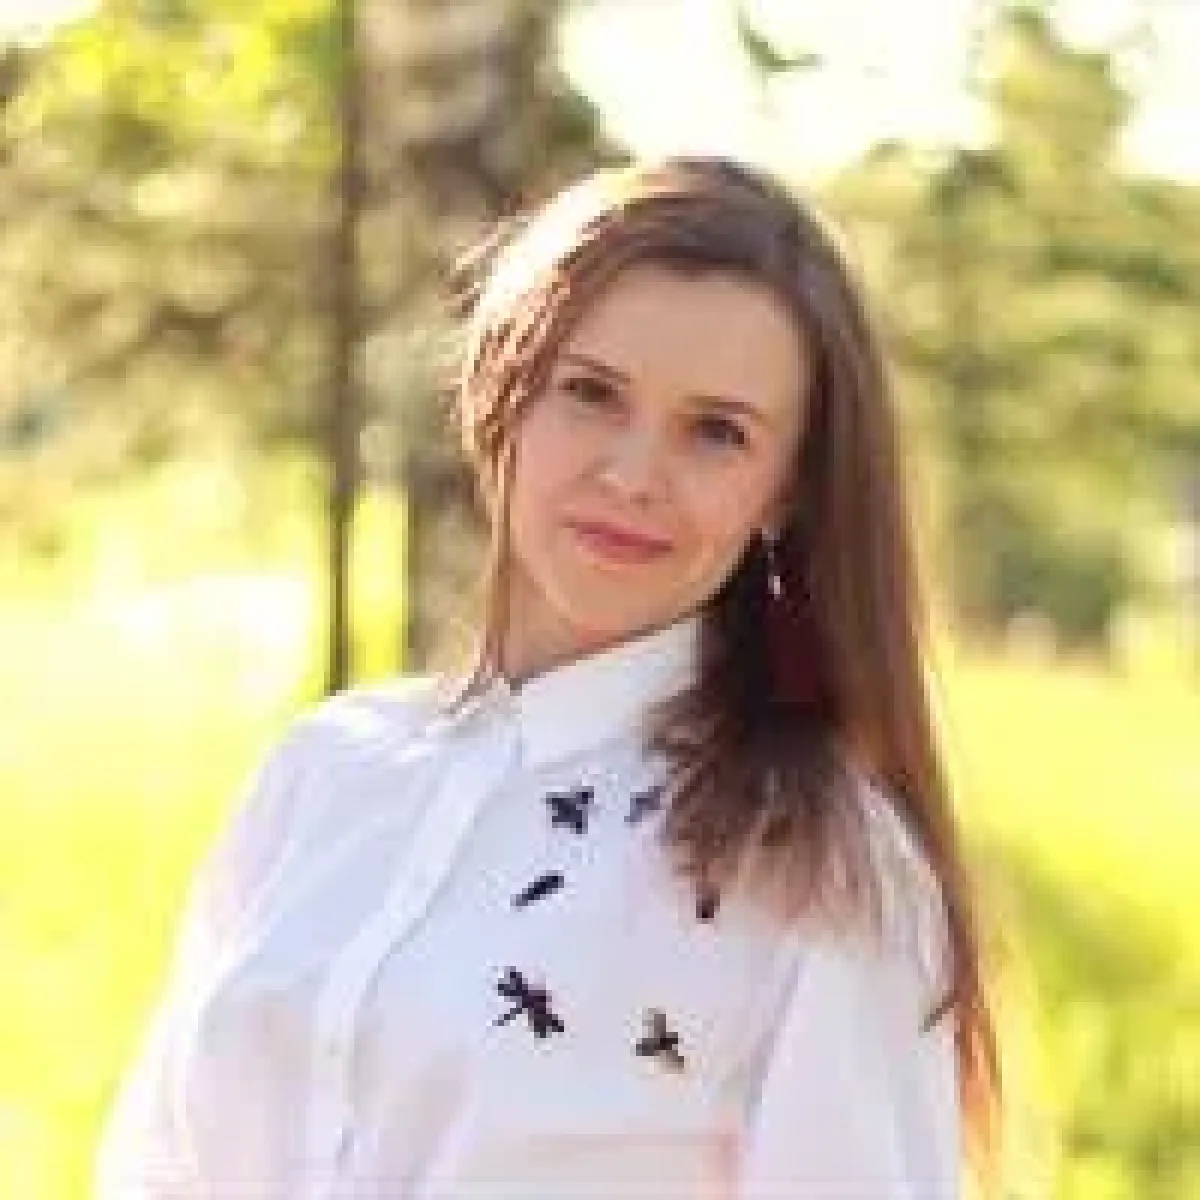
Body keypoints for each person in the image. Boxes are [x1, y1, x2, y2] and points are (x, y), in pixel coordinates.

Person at [96, 156, 1002, 1198]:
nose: (632, 475)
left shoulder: (824, 870)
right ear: (504, 393)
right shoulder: (326, 771)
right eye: (591, 393)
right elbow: (156, 1165)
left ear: (785, 491)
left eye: (716, 432)